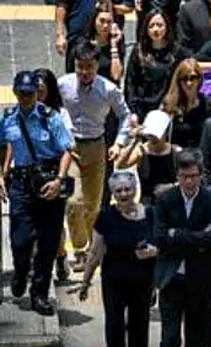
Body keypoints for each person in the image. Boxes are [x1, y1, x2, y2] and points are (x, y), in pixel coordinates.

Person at [153, 150, 211, 347]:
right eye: (184, 177)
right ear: (177, 177)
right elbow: (159, 237)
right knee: (169, 342)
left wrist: (177, 235)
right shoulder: (166, 200)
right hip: (172, 281)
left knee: (195, 341)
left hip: (200, 281)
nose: (190, 182)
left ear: (201, 176)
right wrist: (196, 238)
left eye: (194, 177)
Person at [0, 71, 74, 315]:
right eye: (21, 93)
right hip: (21, 183)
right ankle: (21, 271)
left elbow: (66, 150)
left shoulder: (49, 117)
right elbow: (3, 146)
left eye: (30, 93)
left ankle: (39, 294)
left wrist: (59, 180)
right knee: (20, 239)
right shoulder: (9, 118)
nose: (26, 98)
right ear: (16, 93)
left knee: (48, 243)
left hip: (47, 181)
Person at [78, 171, 157, 347]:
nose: (124, 194)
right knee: (114, 324)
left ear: (135, 191)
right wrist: (85, 282)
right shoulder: (106, 216)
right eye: (119, 191)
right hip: (114, 279)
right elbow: (95, 251)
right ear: (113, 194)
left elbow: (163, 244)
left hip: (143, 279)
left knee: (138, 324)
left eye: (127, 190)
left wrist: (154, 256)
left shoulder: (151, 214)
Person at [59, 40, 132, 272]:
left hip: (97, 146)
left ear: (96, 66)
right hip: (71, 147)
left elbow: (125, 116)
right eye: (80, 66)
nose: (84, 72)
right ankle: (79, 248)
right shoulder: (63, 85)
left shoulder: (108, 89)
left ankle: (94, 245)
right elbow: (52, 107)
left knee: (92, 204)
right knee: (73, 201)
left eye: (89, 67)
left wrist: (119, 143)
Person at [33, 68, 75, 284]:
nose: (38, 95)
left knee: (54, 225)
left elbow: (67, 146)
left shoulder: (59, 114)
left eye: (42, 90)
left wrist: (60, 176)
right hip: (31, 174)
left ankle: (60, 256)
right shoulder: (24, 111)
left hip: (54, 172)